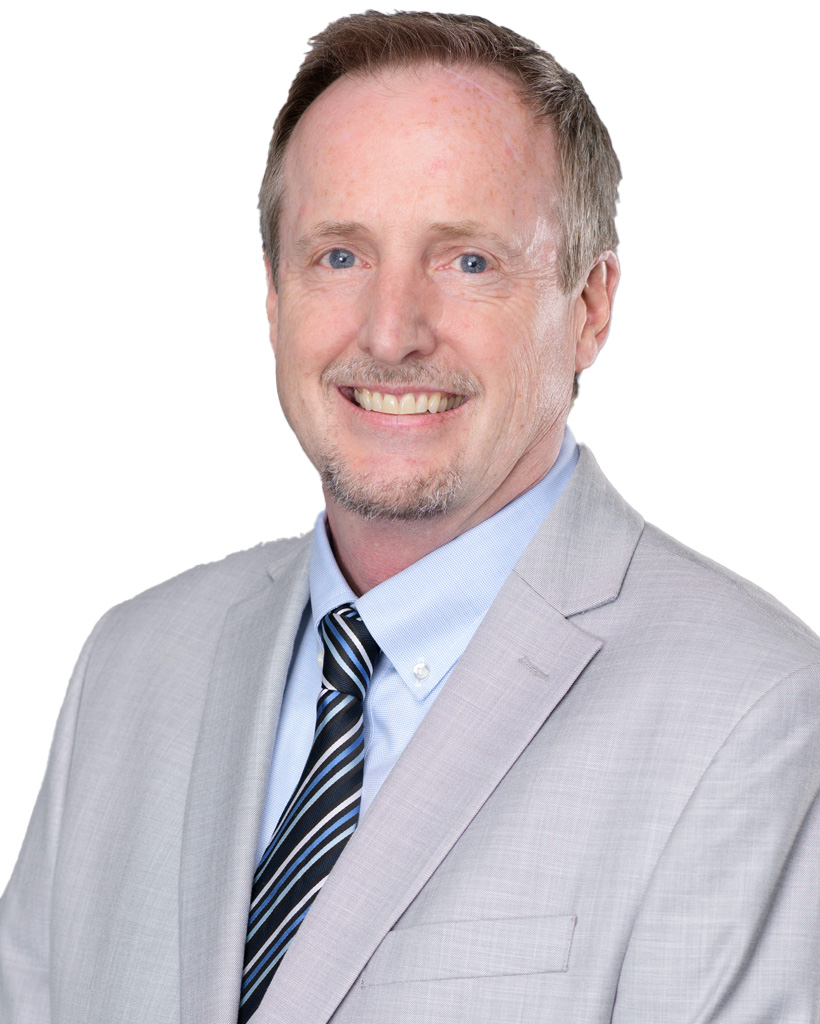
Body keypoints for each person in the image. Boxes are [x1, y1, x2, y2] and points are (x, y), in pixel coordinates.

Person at [1, 10, 818, 1023]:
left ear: (591, 306)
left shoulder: (754, 715)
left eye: (467, 261)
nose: (390, 333)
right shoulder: (130, 668)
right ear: (273, 296)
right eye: (339, 256)